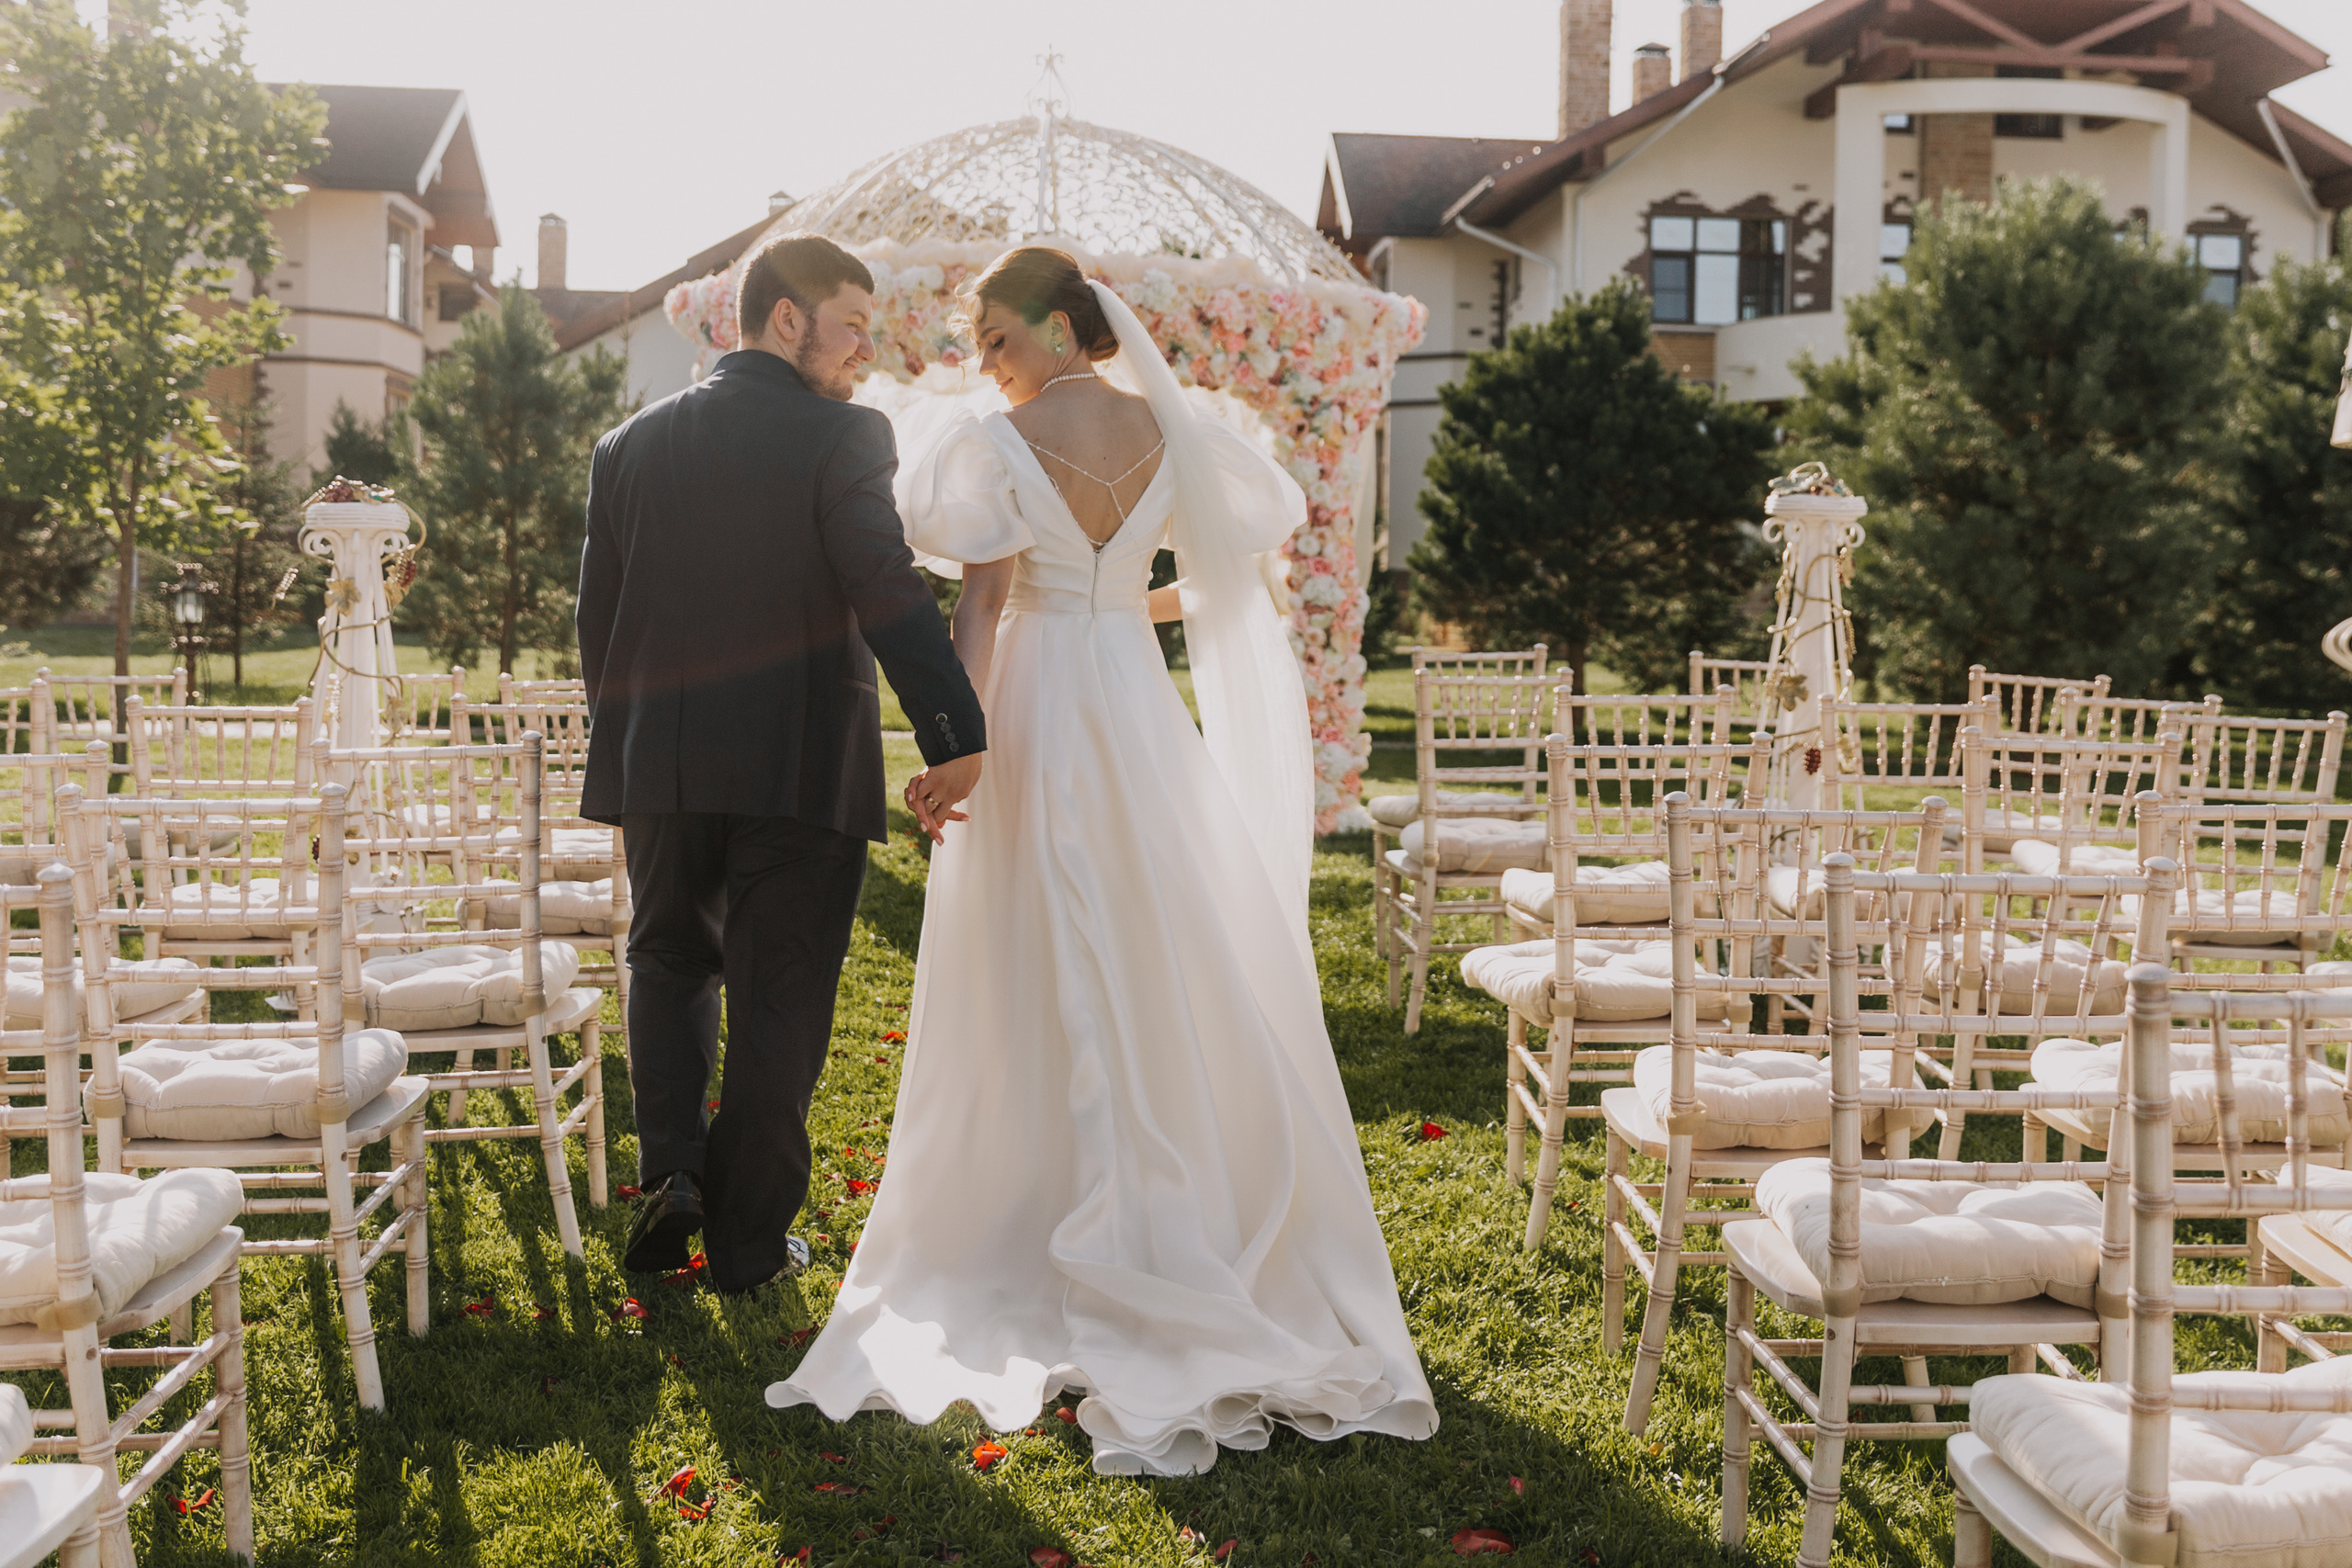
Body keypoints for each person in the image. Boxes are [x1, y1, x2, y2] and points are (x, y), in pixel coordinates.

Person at [767, 246, 1436, 1475]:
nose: (990, 363)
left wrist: (956, 745)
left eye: (1000, 339)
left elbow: (981, 604)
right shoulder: (1175, 434)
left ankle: (1041, 1212)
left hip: (1032, 694)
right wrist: (1132, 599)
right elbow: (1243, 565)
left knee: (1030, 936)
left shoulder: (996, 448)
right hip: (1129, 694)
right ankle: (1176, 1205)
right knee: (1155, 927)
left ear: (1058, 327)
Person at [576, 232, 987, 1294]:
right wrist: (956, 729)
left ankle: (672, 1175)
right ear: (789, 317)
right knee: (781, 995)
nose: (865, 348)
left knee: (667, 962)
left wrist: (627, 747)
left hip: (662, 761)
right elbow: (885, 587)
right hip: (800, 763)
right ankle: (747, 1245)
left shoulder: (627, 444)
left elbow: (599, 624)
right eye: (852, 322)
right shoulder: (844, 434)